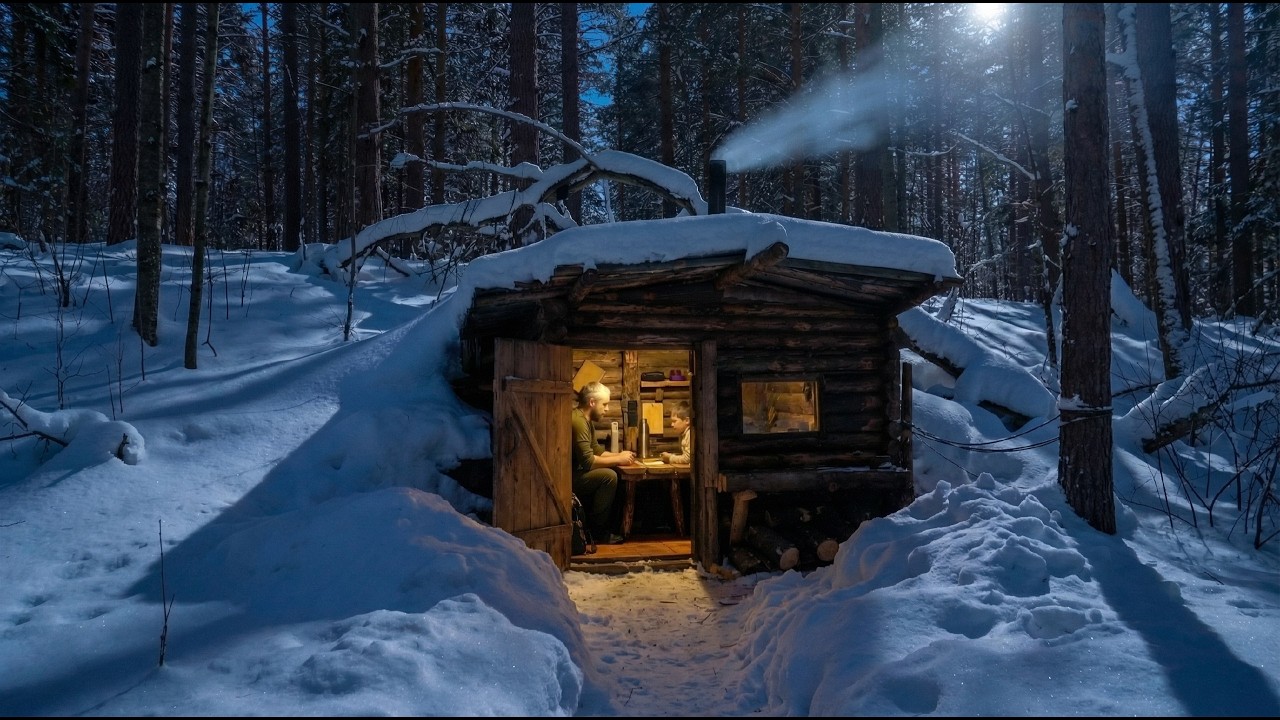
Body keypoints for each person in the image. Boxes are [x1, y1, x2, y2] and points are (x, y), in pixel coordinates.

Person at [571, 381, 634, 544]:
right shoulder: (578, 422)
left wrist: (620, 455)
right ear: (592, 402)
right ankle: (597, 532)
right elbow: (588, 461)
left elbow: (597, 451)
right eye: (604, 404)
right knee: (609, 477)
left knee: (616, 475)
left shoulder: (586, 420)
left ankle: (608, 528)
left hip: (578, 473)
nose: (607, 409)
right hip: (569, 479)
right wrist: (617, 459)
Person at [660, 401, 693, 465]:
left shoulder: (690, 434)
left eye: (675, 421)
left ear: (687, 421)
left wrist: (670, 458)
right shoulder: (683, 434)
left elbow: (687, 459)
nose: (672, 424)